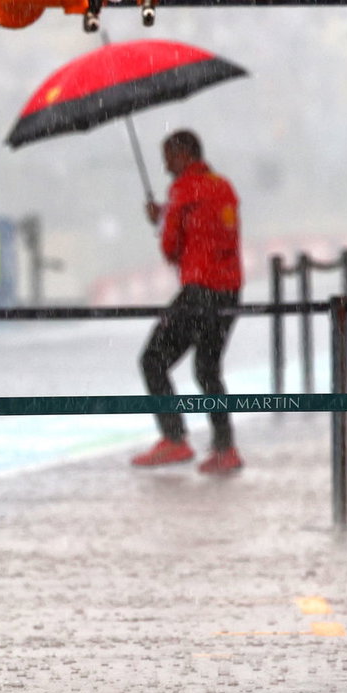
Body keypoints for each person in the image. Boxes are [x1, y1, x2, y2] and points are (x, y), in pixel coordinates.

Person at [133, 130, 244, 475]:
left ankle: (174, 439)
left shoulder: (182, 190)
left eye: (168, 157)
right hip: (228, 290)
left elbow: (171, 248)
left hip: (198, 290)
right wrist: (169, 214)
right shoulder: (223, 186)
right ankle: (226, 448)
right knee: (208, 369)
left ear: (184, 155)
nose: (165, 166)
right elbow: (212, 226)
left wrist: (161, 220)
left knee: (153, 359)